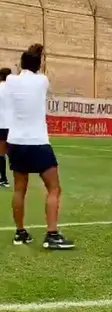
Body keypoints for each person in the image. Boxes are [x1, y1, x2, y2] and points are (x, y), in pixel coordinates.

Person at [6, 45, 73, 249]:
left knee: (19, 189)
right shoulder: (42, 80)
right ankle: (51, 234)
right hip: (37, 141)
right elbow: (38, 73)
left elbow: (19, 73)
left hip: (16, 141)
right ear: (39, 64)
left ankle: (20, 233)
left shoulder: (11, 80)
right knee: (54, 188)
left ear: (22, 63)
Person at [0, 67, 12, 188]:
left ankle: (3, 178)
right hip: (12, 125)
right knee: (12, 151)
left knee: (1, 152)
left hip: (1, 125)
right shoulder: (13, 90)